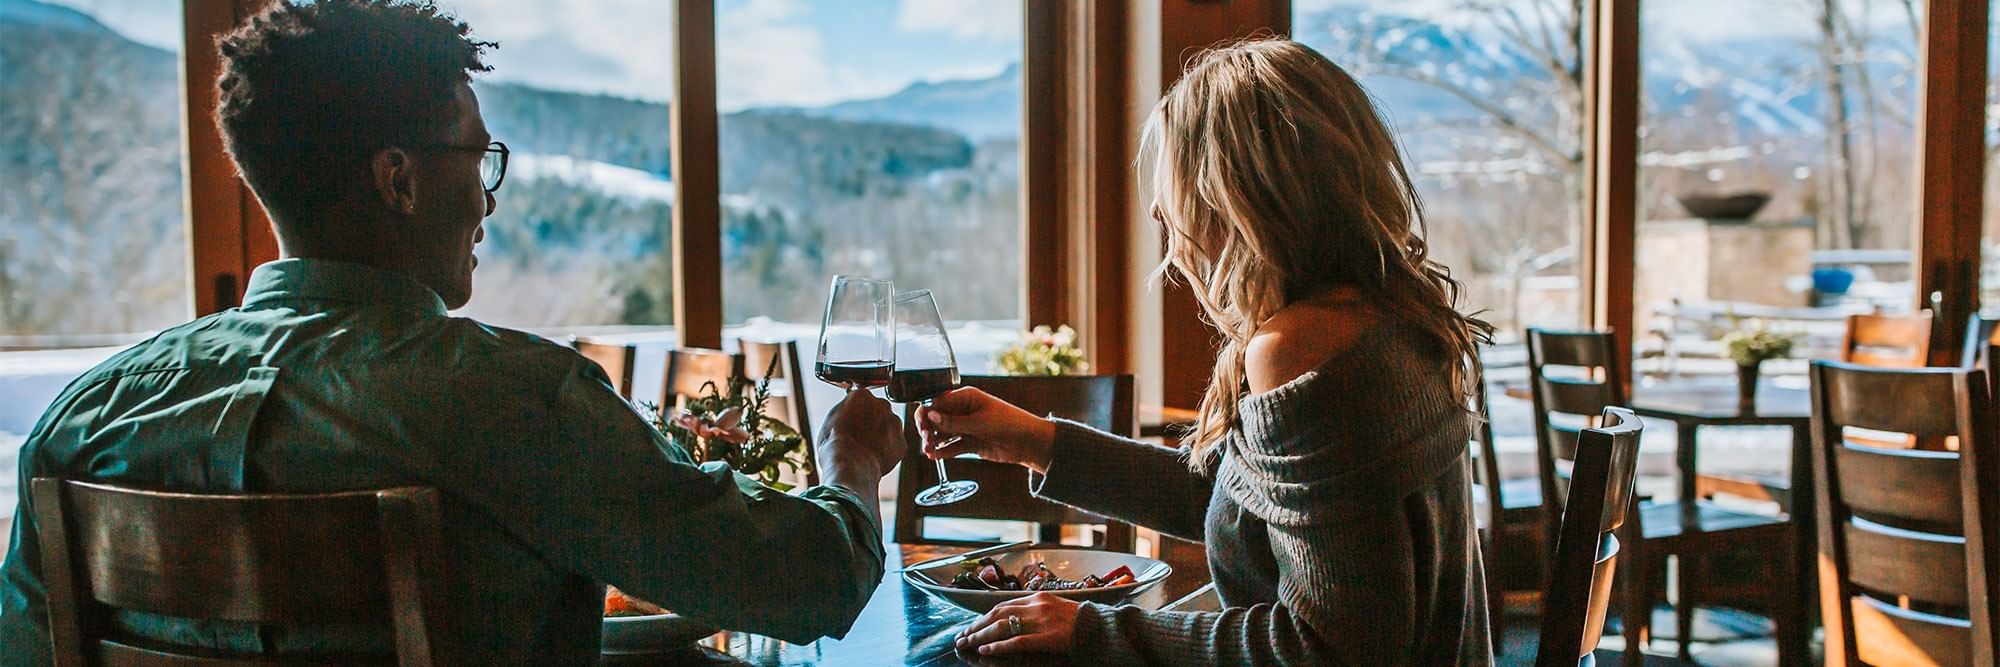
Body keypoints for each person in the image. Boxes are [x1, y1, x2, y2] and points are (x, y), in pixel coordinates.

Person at [0, 1, 903, 664]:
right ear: (398, 178)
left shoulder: (85, 419)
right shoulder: (518, 402)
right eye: (478, 156)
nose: (487, 196)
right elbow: (807, 583)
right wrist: (850, 456)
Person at [930, 38, 1494, 665]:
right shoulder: (1385, 317)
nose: (1156, 208)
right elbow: (1240, 505)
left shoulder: (1301, 349)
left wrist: (1097, 635)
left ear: (1237, 194)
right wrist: (1034, 441)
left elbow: (1326, 649)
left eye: (1172, 179)